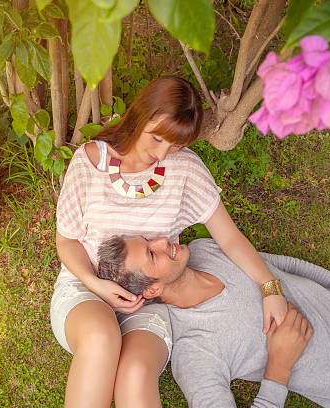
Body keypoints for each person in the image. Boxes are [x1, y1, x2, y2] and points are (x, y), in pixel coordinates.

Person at [51, 76, 289, 407]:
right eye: (158, 139)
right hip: (87, 288)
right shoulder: (89, 164)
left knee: (134, 370)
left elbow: (229, 236)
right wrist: (95, 283)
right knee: (101, 338)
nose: (162, 153)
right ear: (141, 114)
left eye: (175, 145)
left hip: (149, 301)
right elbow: (67, 242)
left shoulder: (184, 169)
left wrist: (270, 287)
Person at [97, 235, 330, 408]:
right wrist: (279, 367)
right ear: (153, 288)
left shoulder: (205, 249)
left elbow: (286, 267)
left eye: (149, 239)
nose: (161, 241)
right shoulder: (194, 352)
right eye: (152, 254)